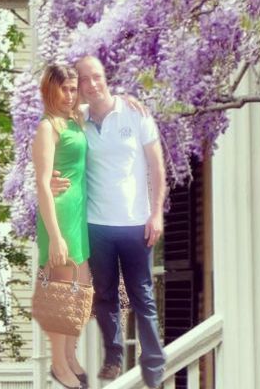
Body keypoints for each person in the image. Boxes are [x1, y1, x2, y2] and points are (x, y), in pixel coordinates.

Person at [52, 55, 167, 389]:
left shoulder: (135, 113)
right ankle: (114, 354)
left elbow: (156, 166)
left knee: (142, 294)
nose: (92, 84)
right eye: (84, 80)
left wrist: (156, 212)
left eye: (97, 76)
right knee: (104, 294)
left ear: (106, 78)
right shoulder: (77, 121)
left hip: (135, 223)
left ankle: (154, 363)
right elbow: (60, 160)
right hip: (97, 224)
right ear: (79, 87)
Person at [32, 64, 90, 389]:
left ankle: (69, 354)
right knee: (61, 292)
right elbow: (43, 183)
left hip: (79, 213)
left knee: (79, 290)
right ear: (50, 90)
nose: (69, 95)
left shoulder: (75, 122)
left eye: (73, 89)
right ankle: (58, 363)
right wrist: (54, 235)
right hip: (61, 213)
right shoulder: (48, 127)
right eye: (64, 89)